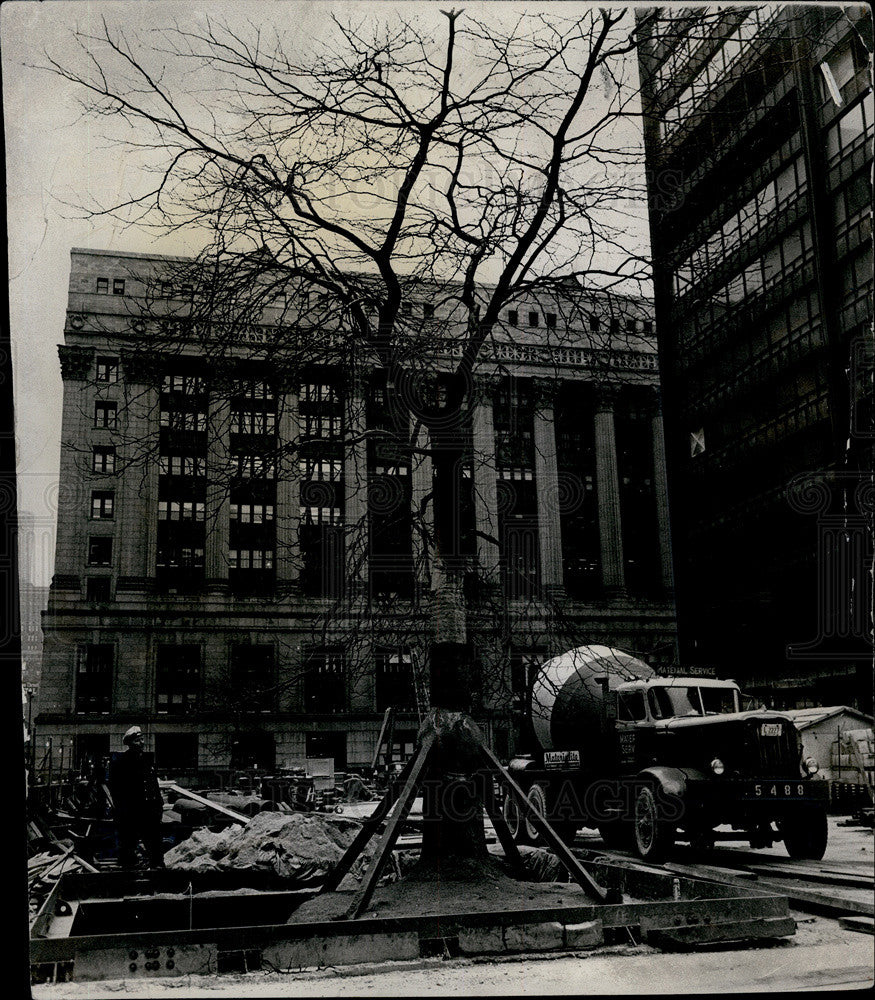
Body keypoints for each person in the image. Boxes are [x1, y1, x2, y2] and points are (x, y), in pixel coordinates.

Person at [108, 726, 165, 869]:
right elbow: (116, 790)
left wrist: (159, 805)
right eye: (137, 740)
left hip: (149, 811)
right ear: (130, 743)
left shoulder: (147, 760)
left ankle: (157, 874)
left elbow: (153, 785)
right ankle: (129, 879)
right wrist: (122, 810)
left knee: (155, 845)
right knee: (128, 847)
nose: (142, 743)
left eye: (142, 739)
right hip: (131, 812)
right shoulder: (121, 763)